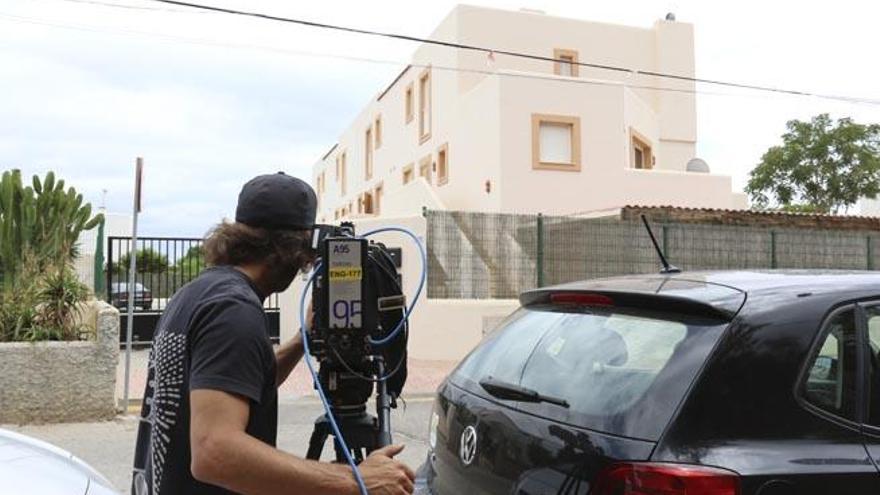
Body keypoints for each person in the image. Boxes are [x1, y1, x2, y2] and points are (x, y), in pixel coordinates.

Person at [132, 172, 415, 495]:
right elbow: (214, 452)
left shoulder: (198, 293)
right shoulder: (234, 310)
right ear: (294, 249)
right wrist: (356, 480)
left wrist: (301, 340)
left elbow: (241, 379)